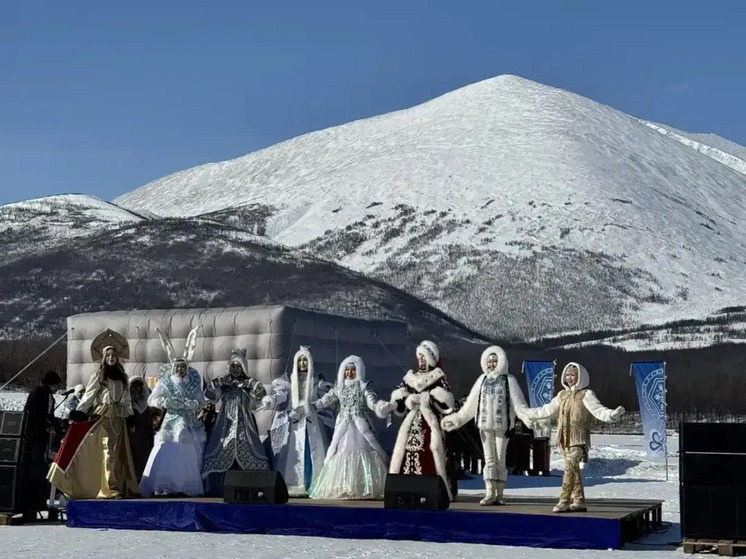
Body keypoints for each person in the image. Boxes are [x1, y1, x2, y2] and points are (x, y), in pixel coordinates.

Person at [519, 362, 625, 512]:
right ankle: (579, 500)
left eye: (573, 375)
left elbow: (598, 410)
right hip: (564, 439)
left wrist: (612, 415)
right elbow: (547, 410)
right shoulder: (561, 395)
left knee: (569, 467)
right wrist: (528, 413)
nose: (570, 378)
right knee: (573, 469)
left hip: (579, 438)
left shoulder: (585, 394)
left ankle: (564, 500)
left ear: (580, 376)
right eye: (567, 375)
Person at [48, 331, 139, 499]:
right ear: (104, 358)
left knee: (119, 453)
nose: (111, 358)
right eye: (108, 355)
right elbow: (89, 395)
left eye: (113, 355)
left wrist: (130, 416)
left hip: (118, 418)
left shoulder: (122, 377)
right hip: (103, 415)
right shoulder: (99, 376)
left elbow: (126, 399)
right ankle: (109, 488)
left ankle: (119, 486)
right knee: (107, 450)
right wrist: (80, 411)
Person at [441, 345, 533, 505]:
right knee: (489, 459)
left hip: (502, 427)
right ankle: (490, 493)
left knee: (500, 459)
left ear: (501, 361)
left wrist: (528, 418)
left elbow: (520, 405)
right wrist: (457, 420)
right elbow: (469, 407)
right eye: (489, 361)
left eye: (494, 361)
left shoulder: (508, 380)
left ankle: (500, 494)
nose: (491, 364)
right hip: (484, 426)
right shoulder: (482, 380)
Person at [304, 355, 392, 500]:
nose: (350, 372)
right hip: (343, 427)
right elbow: (325, 400)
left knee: (364, 451)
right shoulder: (339, 388)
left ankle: (363, 487)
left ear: (358, 370)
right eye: (347, 369)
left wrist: (380, 407)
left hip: (360, 427)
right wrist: (310, 406)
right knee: (341, 452)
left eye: (353, 369)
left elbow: (372, 402)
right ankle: (345, 487)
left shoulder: (363, 386)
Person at [139, 327, 206, 497]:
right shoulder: (165, 383)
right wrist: (164, 402)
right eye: (177, 367)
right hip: (171, 420)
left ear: (187, 368)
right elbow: (152, 399)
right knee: (167, 448)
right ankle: (164, 484)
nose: (180, 370)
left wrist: (195, 404)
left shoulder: (193, 382)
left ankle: (184, 485)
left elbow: (201, 401)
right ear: (173, 367)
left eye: (183, 367)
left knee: (187, 452)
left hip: (188, 421)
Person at [262, 346, 335, 497]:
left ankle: (313, 485)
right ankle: (293, 485)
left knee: (313, 451)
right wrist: (271, 400)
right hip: (294, 421)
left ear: (310, 362)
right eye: (300, 360)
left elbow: (324, 400)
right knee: (293, 453)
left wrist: (312, 407)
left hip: (311, 421)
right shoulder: (290, 380)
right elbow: (281, 395)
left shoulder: (316, 381)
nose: (302, 363)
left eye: (305, 360)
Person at [389, 340, 455, 500]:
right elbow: (399, 394)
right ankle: (405, 488)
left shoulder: (438, 376)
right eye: (419, 356)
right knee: (405, 450)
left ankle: (436, 488)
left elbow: (448, 399)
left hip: (430, 421)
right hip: (411, 421)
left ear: (430, 358)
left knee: (432, 449)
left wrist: (429, 397)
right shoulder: (410, 377)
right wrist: (407, 399)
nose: (421, 360)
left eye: (424, 356)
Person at [202, 349, 270, 496]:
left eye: (239, 366)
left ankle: (248, 488)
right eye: (233, 365)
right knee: (221, 449)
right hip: (225, 424)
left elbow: (260, 396)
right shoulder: (224, 384)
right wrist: (215, 384)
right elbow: (210, 396)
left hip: (244, 423)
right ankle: (220, 488)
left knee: (248, 448)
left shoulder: (248, 384)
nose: (236, 369)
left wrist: (262, 395)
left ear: (244, 368)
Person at [20, 370, 63, 517]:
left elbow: (50, 416)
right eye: (56, 385)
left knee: (40, 467)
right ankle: (31, 502)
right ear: (51, 384)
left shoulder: (49, 397)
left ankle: (38, 500)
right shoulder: (38, 394)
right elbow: (33, 414)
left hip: (41, 436)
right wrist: (42, 425)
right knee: (34, 467)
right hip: (34, 436)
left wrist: (59, 428)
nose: (57, 388)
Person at [127, 377, 154, 482]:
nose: (135, 389)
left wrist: (151, 440)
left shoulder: (146, 404)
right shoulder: (126, 405)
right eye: (133, 386)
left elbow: (149, 424)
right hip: (130, 438)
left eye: (138, 387)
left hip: (143, 438)